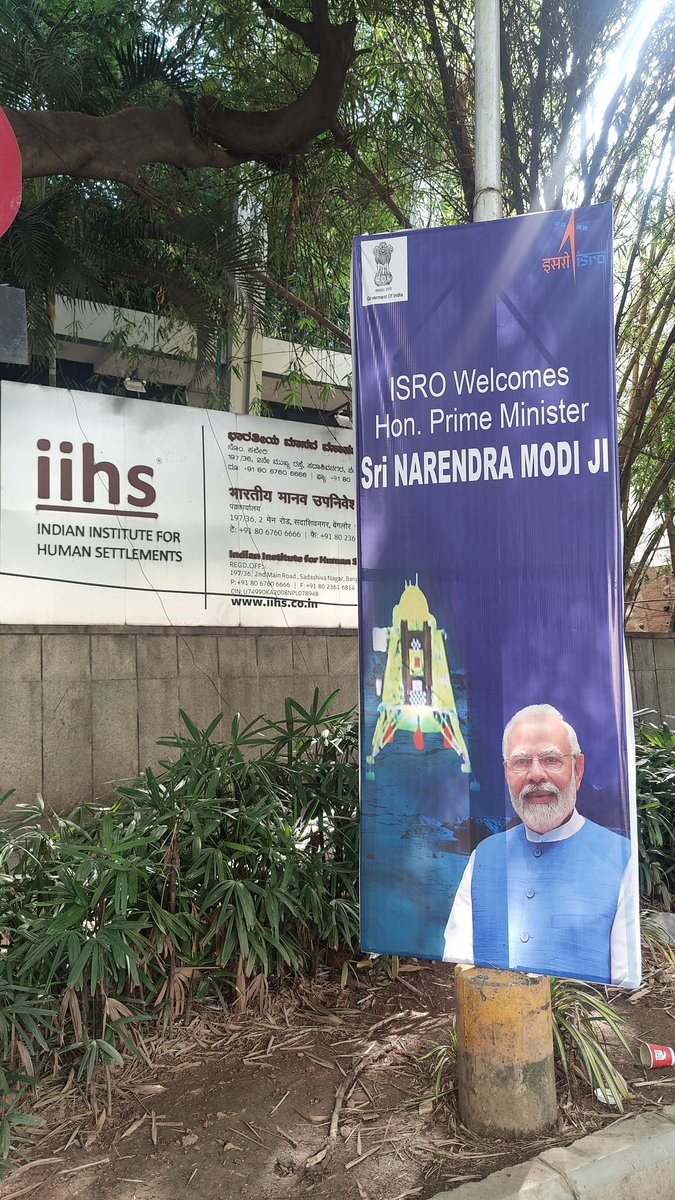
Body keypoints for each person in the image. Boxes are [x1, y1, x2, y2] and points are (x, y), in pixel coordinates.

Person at [442, 704, 639, 986]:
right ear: (506, 772)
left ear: (578, 769)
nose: (536, 775)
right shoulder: (483, 857)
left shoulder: (621, 859)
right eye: (521, 762)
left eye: (551, 759)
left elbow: (625, 987)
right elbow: (458, 961)